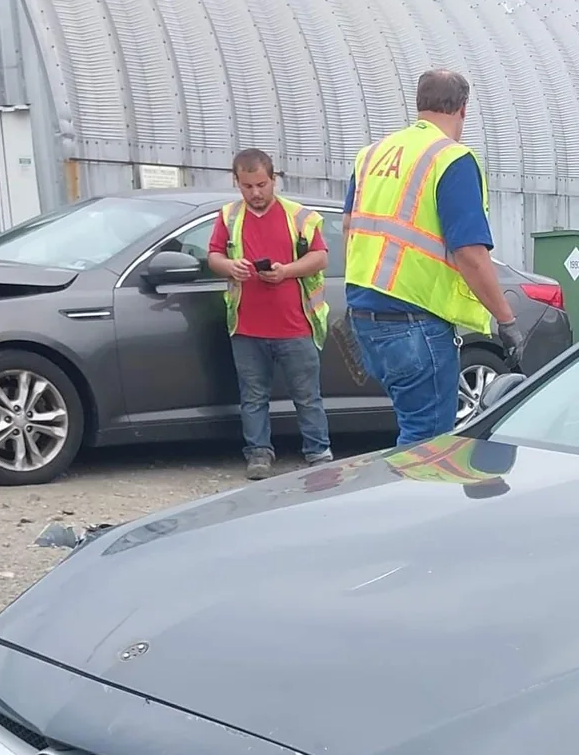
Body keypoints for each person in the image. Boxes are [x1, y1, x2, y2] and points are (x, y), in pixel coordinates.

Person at [343, 69, 519, 446]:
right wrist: (506, 320)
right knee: (429, 442)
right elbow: (470, 253)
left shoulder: (371, 155)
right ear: (463, 108)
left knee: (413, 427)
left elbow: (349, 228)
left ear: (419, 103)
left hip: (364, 317)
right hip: (415, 322)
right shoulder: (451, 158)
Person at [206, 149, 332, 478]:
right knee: (253, 397)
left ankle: (318, 451)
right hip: (247, 327)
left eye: (261, 185)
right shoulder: (229, 217)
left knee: (307, 396)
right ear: (236, 182)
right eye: (247, 186)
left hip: (295, 326)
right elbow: (214, 256)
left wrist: (286, 271)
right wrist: (230, 266)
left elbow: (320, 257)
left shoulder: (299, 216)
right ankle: (258, 454)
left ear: (274, 179)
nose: (256, 193)